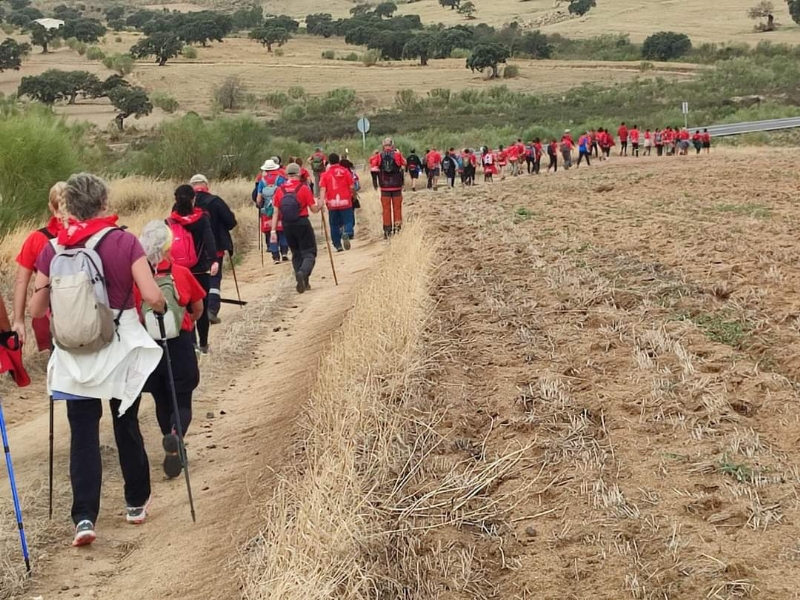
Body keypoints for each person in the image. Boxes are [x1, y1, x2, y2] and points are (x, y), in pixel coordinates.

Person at [29, 173, 166, 547]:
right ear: (105, 203)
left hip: (75, 357)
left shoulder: (53, 248)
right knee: (126, 425)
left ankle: (85, 517)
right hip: (119, 350)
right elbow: (152, 294)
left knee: (84, 437)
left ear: (68, 207)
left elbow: (37, 310)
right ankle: (135, 503)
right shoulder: (124, 241)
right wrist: (162, 305)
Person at [138, 220, 205, 479]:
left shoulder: (139, 279)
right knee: (182, 398)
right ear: (167, 247)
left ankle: (171, 439)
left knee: (161, 399)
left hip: (150, 347)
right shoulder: (181, 273)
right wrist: (187, 322)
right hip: (179, 343)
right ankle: (176, 436)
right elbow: (198, 307)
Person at [12, 182, 66, 351]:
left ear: (51, 206)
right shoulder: (90, 235)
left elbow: (21, 281)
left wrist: (18, 320)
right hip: (87, 312)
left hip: (46, 315)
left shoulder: (37, 239)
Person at [170, 185, 218, 355]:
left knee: (185, 308)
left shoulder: (170, 221)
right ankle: (204, 344)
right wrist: (213, 260)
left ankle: (192, 344)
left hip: (179, 271)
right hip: (199, 270)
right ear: (193, 199)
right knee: (202, 309)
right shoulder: (202, 218)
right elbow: (209, 239)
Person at [190, 174, 236, 325]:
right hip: (215, 248)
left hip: (191, 251)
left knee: (195, 280)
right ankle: (211, 310)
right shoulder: (215, 201)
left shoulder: (184, 203)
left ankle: (195, 311)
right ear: (206, 185)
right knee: (214, 279)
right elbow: (231, 222)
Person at [271, 163, 323, 293]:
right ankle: (303, 273)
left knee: (296, 253)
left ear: (286, 174)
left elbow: (276, 212)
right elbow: (314, 209)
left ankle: (303, 281)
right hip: (302, 222)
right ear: (299, 174)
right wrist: (320, 204)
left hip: (286, 225)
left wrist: (273, 231)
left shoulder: (279, 190)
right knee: (309, 252)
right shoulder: (303, 188)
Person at [319, 153, 356, 252]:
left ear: (329, 162)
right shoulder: (345, 171)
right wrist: (354, 196)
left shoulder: (325, 174)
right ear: (338, 160)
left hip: (332, 203)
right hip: (345, 201)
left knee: (334, 224)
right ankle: (347, 233)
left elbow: (322, 189)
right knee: (348, 221)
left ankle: (337, 245)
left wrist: (321, 202)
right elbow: (352, 187)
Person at [257, 159, 289, 265]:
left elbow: (258, 198)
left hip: (267, 211)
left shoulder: (262, 181)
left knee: (272, 233)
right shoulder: (281, 179)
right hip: (280, 209)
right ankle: (284, 253)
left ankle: (275, 256)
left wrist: (260, 206)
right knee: (282, 231)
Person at [377, 137, 406, 238]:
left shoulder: (379, 155)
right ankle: (397, 229)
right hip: (396, 185)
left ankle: (387, 230)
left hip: (384, 187)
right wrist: (399, 153)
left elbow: (374, 165)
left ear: (383, 145)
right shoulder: (397, 154)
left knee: (386, 209)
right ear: (392, 145)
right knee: (397, 208)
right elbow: (404, 163)